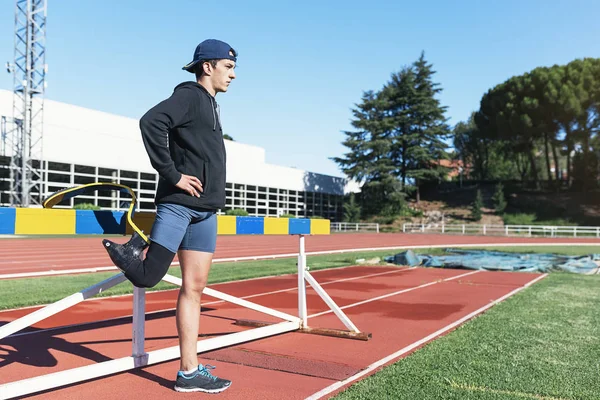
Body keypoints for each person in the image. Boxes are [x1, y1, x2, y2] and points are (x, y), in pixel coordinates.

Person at [102, 39, 237, 394]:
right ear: (207, 66)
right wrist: (172, 174)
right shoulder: (191, 95)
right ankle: (128, 249)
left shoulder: (210, 103)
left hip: (205, 212)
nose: (233, 75)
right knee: (148, 275)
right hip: (179, 204)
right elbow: (151, 121)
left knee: (194, 289)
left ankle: (189, 372)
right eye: (228, 66)